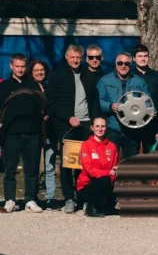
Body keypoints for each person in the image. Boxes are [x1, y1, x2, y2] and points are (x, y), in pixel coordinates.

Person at [47, 44, 100, 214]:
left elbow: (93, 100)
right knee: (67, 163)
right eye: (72, 57)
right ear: (66, 57)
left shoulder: (87, 75)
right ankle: (69, 197)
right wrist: (68, 117)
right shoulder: (57, 76)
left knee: (84, 163)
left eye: (78, 57)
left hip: (85, 124)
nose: (76, 60)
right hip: (66, 125)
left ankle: (82, 197)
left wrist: (94, 120)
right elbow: (52, 103)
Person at [0, 53, 45, 213]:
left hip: (32, 133)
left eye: (22, 66)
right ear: (11, 66)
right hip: (11, 133)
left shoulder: (32, 85)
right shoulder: (4, 86)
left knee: (31, 169)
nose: (19, 69)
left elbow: (42, 106)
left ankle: (30, 199)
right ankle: (10, 200)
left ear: (26, 67)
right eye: (17, 66)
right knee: (10, 168)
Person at [97, 53, 150, 159]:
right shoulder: (105, 80)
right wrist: (110, 106)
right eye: (120, 63)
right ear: (116, 64)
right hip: (113, 128)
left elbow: (148, 102)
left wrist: (150, 112)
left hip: (132, 130)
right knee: (109, 161)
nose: (123, 66)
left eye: (127, 63)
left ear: (131, 65)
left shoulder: (139, 81)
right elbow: (98, 101)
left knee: (131, 163)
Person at [28, 59, 57, 206]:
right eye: (36, 70)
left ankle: (50, 196)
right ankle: (32, 196)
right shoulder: (29, 87)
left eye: (42, 70)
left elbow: (55, 105)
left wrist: (49, 114)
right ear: (31, 73)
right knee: (33, 165)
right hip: (34, 131)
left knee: (50, 165)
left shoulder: (49, 86)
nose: (40, 72)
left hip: (50, 131)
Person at [76, 116, 118, 217]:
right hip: (87, 185)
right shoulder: (86, 145)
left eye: (103, 126)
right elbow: (90, 171)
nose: (100, 129)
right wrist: (108, 173)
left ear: (106, 127)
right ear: (92, 128)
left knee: (115, 182)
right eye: (97, 126)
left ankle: (107, 205)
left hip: (106, 182)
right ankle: (91, 208)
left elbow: (114, 167)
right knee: (104, 180)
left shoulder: (112, 146)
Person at [132, 44, 158, 151]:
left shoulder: (157, 76)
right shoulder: (130, 75)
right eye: (140, 56)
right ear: (134, 58)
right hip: (134, 120)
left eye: (145, 56)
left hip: (152, 122)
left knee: (150, 154)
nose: (143, 59)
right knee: (133, 153)